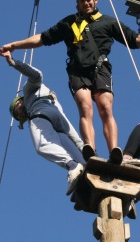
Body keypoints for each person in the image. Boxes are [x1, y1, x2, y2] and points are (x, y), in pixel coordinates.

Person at [0, 0, 140, 161]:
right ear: (77, 2)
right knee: (85, 106)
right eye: (82, 0)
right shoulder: (69, 23)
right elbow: (42, 38)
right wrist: (15, 45)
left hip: (100, 68)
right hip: (77, 70)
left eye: (89, 0)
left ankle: (114, 150)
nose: (86, 3)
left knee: (105, 106)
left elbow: (135, 40)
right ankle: (90, 149)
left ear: (96, 0)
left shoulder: (108, 22)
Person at [2, 51, 85, 195]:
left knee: (42, 145)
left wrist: (13, 62)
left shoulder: (29, 93)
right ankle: (89, 169)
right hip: (57, 118)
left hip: (42, 113)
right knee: (77, 148)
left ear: (20, 101)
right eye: (18, 115)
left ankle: (72, 165)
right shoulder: (49, 97)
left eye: (18, 109)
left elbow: (37, 75)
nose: (20, 112)